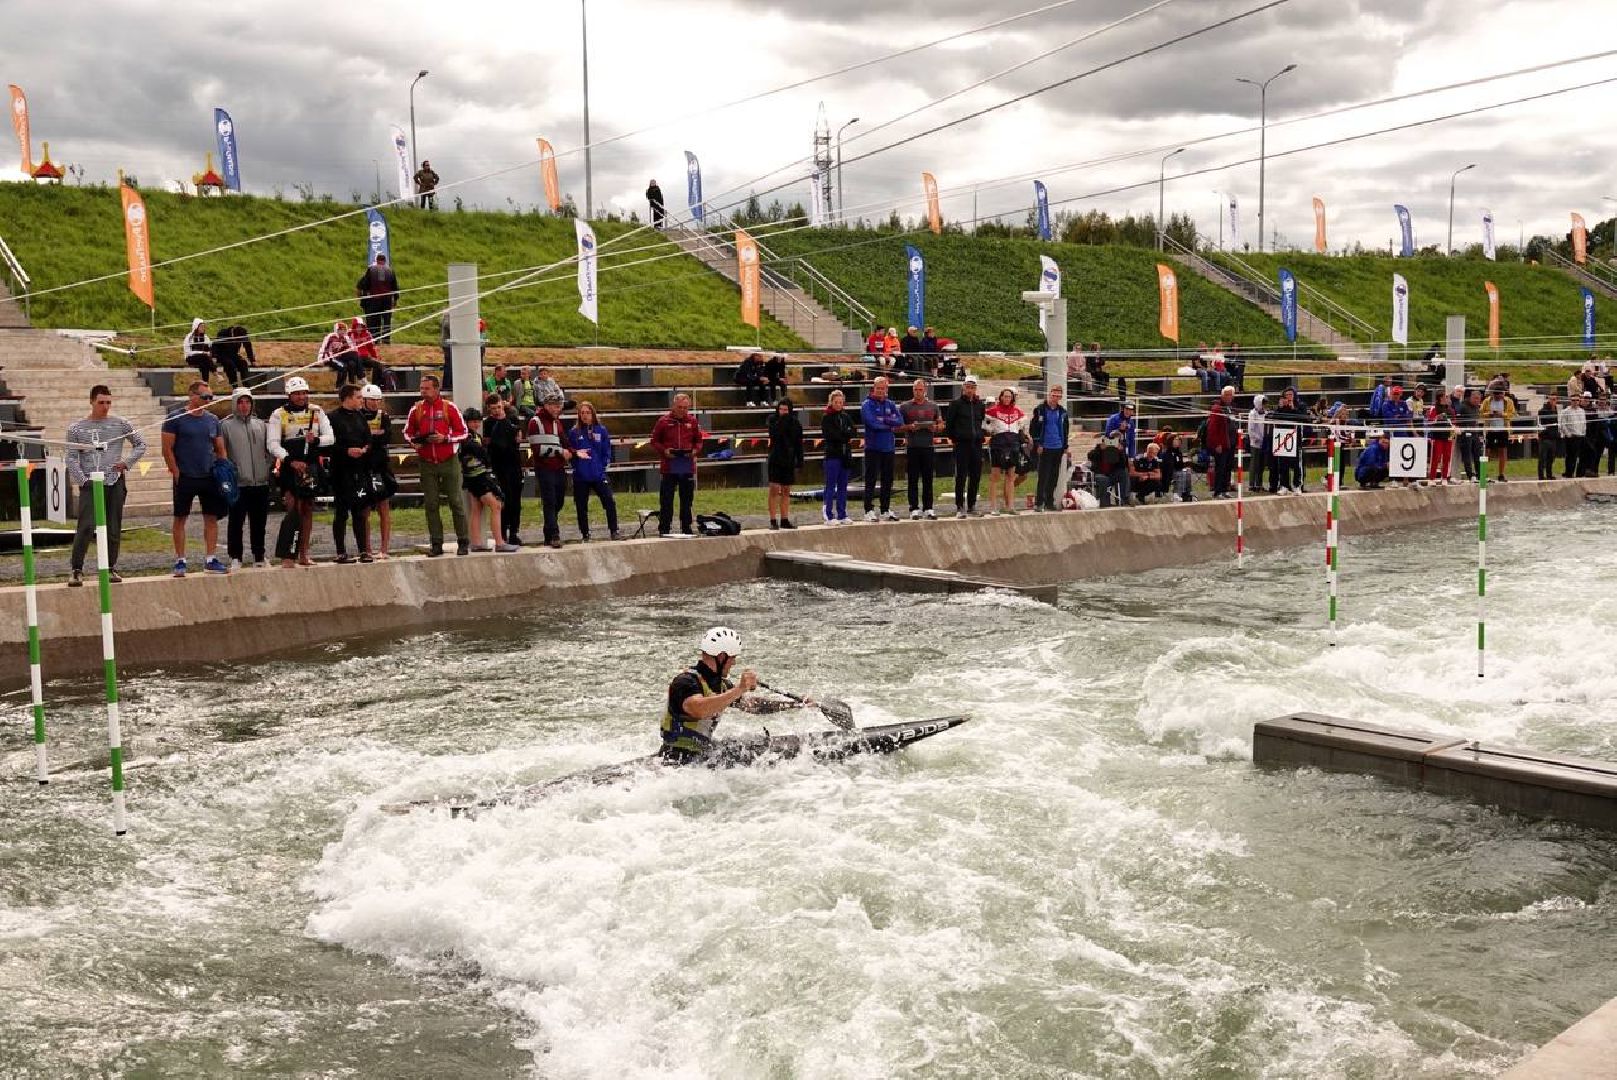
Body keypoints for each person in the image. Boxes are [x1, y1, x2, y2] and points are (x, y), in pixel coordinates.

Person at [661, 627, 788, 764]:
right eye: (732, 658)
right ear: (722, 656)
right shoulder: (685, 682)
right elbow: (699, 709)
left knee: (748, 744)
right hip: (676, 757)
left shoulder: (721, 685)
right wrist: (740, 689)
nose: (733, 663)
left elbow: (752, 705)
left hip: (700, 756)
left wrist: (794, 705)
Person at [65, 384, 147, 587]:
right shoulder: (77, 428)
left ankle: (110, 567)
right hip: (90, 483)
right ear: (91, 402)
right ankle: (76, 569)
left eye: (108, 402)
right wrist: (83, 480)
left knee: (113, 527)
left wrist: (126, 463)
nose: (105, 406)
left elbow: (141, 444)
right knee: (86, 526)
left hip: (114, 481)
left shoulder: (121, 423)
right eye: (101, 402)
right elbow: (71, 457)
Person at [161, 381, 230, 577]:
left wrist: (223, 469)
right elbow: (167, 449)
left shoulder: (212, 420)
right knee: (180, 518)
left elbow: (220, 448)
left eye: (211, 397)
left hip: (209, 475)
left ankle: (210, 559)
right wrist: (175, 471)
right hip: (185, 475)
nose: (208, 400)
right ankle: (180, 560)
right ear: (192, 396)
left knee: (211, 517)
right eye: (205, 397)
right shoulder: (175, 418)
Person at [268, 376, 334, 568]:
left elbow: (330, 437)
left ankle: (304, 553)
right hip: (289, 467)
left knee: (307, 509)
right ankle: (288, 555)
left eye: (304, 393)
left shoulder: (316, 411)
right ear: (289, 395)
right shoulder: (278, 414)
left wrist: (317, 440)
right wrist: (290, 461)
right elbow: (272, 444)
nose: (301, 397)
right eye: (297, 394)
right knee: (293, 508)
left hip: (310, 465)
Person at [403, 374, 471, 556]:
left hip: (449, 460)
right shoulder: (416, 409)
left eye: (426, 388)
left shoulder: (449, 407)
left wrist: (445, 438)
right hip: (427, 462)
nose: (423, 391)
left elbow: (464, 432)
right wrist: (414, 442)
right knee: (431, 504)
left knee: (455, 501)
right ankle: (436, 543)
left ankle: (463, 541)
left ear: (436, 389)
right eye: (421, 388)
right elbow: (407, 432)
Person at [220, 386, 271, 570]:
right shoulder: (225, 426)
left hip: (261, 481)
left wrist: (266, 467)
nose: (244, 406)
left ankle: (259, 555)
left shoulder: (261, 425)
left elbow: (268, 450)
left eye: (247, 402)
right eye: (240, 402)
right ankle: (236, 556)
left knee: (259, 522)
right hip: (238, 483)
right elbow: (221, 452)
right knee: (236, 522)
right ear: (235, 404)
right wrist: (231, 473)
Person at [457, 408, 518, 553]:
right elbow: (480, 453)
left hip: (473, 477)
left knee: (477, 509)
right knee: (496, 505)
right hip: (477, 476)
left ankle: (476, 542)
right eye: (472, 421)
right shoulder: (466, 437)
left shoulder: (474, 436)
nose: (476, 424)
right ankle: (499, 542)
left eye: (477, 421)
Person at [328, 383, 375, 564]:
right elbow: (328, 444)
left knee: (360, 511)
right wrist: (346, 451)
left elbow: (369, 440)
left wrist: (364, 449)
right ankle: (341, 552)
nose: (361, 401)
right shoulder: (332, 417)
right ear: (347, 398)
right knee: (341, 512)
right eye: (358, 397)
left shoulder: (360, 416)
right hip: (341, 470)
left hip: (359, 469)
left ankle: (363, 550)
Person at [567, 400, 621, 542]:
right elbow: (571, 452)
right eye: (582, 413)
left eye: (587, 412)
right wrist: (577, 466)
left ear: (593, 414)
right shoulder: (574, 432)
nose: (585, 415)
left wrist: (602, 466)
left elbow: (606, 450)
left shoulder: (601, 430)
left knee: (609, 501)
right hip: (581, 476)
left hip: (598, 474)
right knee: (581, 505)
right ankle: (585, 533)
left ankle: (614, 530)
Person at [650, 392, 703, 537]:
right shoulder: (664, 421)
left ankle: (686, 527)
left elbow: (699, 441)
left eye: (685, 408)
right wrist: (664, 451)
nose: (682, 410)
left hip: (686, 464)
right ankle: (664, 528)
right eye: (680, 407)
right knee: (666, 499)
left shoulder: (692, 421)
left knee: (687, 500)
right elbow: (654, 441)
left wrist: (695, 451)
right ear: (674, 406)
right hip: (669, 465)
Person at [858, 376, 903, 521]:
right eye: (878, 388)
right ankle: (868, 510)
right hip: (873, 448)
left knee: (887, 480)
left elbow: (900, 421)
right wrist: (889, 424)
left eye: (883, 388)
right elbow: (872, 423)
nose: (880, 391)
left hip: (888, 448)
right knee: (871, 479)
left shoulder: (890, 404)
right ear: (874, 388)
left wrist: (883, 419)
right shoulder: (867, 404)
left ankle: (885, 509)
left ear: (886, 389)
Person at [483, 394, 526, 545]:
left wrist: (505, 421)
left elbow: (517, 438)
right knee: (503, 498)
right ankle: (502, 533)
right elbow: (492, 442)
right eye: (493, 408)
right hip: (499, 466)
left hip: (514, 463)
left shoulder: (511, 419)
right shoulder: (488, 423)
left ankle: (514, 531)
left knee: (516, 499)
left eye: (499, 407)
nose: (496, 411)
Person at [361, 384, 398, 558]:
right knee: (365, 509)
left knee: (384, 506)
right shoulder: (358, 416)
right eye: (371, 400)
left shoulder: (383, 416)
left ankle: (384, 549)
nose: (375, 403)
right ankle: (367, 548)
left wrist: (371, 438)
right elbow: (361, 438)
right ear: (364, 400)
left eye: (377, 400)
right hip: (363, 466)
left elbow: (386, 437)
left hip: (381, 466)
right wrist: (375, 436)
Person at [757, 398, 805, 530]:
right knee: (774, 489)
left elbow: (798, 443)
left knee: (786, 490)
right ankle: (773, 520)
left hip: (788, 459)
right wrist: (782, 421)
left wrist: (800, 460)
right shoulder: (772, 420)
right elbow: (774, 434)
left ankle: (784, 519)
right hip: (776, 458)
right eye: (781, 409)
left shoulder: (795, 423)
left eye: (785, 410)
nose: (783, 412)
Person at [944, 375, 986, 518]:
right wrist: (955, 438)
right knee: (961, 476)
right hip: (962, 444)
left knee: (975, 475)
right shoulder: (956, 404)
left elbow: (981, 421)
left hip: (976, 444)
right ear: (963, 387)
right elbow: (949, 425)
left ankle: (972, 505)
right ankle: (960, 506)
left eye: (972, 388)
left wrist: (980, 436)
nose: (970, 390)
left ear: (975, 389)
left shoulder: (979, 404)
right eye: (968, 387)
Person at [900, 379, 941, 519]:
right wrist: (909, 427)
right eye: (916, 390)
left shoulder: (933, 406)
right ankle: (914, 508)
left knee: (928, 479)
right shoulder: (905, 406)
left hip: (928, 446)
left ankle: (928, 507)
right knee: (912, 479)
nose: (918, 392)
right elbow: (898, 426)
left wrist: (935, 427)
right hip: (912, 446)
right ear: (912, 390)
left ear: (925, 390)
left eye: (920, 390)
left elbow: (941, 424)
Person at [985, 388, 1025, 515]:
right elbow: (985, 425)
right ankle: (993, 507)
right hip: (998, 444)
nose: (1007, 398)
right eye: (1005, 396)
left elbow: (1021, 427)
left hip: (1013, 445)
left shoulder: (1018, 412)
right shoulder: (992, 411)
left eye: (1009, 396)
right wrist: (990, 431)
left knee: (1011, 476)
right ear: (1001, 397)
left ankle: (1010, 506)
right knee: (995, 476)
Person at [1028, 385, 1068, 512]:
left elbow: (1065, 430)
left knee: (1054, 476)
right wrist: (1038, 443)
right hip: (1045, 447)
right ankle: (1039, 502)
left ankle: (1049, 502)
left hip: (1058, 447)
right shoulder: (1040, 409)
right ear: (1049, 394)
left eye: (1058, 395)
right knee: (1043, 476)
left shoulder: (1062, 412)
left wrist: (1065, 445)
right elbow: (1033, 428)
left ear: (1060, 397)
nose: (1055, 397)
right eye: (1053, 395)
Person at [820, 389, 855, 525]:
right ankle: (828, 515)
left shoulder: (845, 417)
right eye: (836, 402)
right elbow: (831, 435)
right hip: (832, 455)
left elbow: (853, 431)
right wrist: (844, 434)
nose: (839, 404)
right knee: (830, 485)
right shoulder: (826, 417)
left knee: (843, 486)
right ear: (831, 402)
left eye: (841, 402)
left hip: (845, 455)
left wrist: (845, 434)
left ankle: (842, 514)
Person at [1268, 387, 1307, 494]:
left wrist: (1293, 408)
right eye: (1287, 395)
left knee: (1297, 464)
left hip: (1295, 438)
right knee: (1283, 463)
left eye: (1291, 394)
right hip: (1283, 437)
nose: (1289, 397)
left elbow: (1303, 418)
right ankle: (1284, 485)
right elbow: (1274, 417)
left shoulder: (1301, 405)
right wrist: (1280, 408)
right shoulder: (1281, 407)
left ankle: (1297, 485)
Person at [355, 253, 400, 341]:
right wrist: (395, 300)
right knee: (386, 321)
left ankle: (374, 339)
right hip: (387, 300)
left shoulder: (371, 269)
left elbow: (363, 285)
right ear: (385, 261)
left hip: (374, 299)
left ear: (376, 260)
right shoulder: (390, 271)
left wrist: (361, 297)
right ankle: (386, 340)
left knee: (374, 320)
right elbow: (395, 287)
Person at [1206, 386, 1237, 498]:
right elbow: (1212, 428)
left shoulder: (1231, 408)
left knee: (1228, 467)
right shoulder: (1217, 408)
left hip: (1231, 442)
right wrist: (1217, 444)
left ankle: (1225, 489)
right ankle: (1218, 491)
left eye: (1230, 395)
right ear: (1222, 395)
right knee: (1220, 467)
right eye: (1226, 395)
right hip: (1222, 444)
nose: (1229, 397)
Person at [348, 318, 393, 391]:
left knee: (377, 364)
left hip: (365, 357)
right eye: (357, 326)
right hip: (355, 358)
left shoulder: (367, 334)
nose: (359, 328)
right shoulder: (349, 334)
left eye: (361, 326)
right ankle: (361, 378)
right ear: (354, 327)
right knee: (356, 359)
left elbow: (371, 348)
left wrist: (375, 357)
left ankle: (375, 385)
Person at [1483, 382, 1516, 481]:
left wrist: (1502, 414)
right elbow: (1481, 413)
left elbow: (1512, 414)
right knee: (1486, 451)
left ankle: (1501, 474)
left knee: (1503, 451)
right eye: (1495, 395)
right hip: (1490, 429)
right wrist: (1489, 414)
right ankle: (1483, 473)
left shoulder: (1508, 402)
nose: (1497, 397)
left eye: (1499, 395)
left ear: (1503, 394)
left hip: (1503, 429)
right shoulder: (1487, 401)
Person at [1087, 432, 1129, 507]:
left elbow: (1123, 464)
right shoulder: (1099, 448)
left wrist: (1121, 452)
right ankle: (1105, 504)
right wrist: (1100, 449)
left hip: (1112, 474)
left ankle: (1123, 500)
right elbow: (1090, 456)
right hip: (1100, 474)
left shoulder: (1117, 450)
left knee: (1123, 473)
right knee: (1103, 479)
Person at [319, 321, 364, 386]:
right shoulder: (330, 337)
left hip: (340, 357)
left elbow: (351, 348)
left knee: (352, 363)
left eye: (344, 330)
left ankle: (352, 384)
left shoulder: (345, 338)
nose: (342, 331)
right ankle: (340, 386)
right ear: (336, 330)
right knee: (343, 366)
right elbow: (324, 347)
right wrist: (321, 359)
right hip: (330, 358)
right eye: (340, 330)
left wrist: (345, 346)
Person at [210, 324, 255, 388]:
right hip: (222, 355)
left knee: (243, 363)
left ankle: (246, 385)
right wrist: (214, 357)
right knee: (230, 365)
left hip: (234, 355)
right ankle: (234, 386)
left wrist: (252, 360)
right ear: (234, 335)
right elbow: (214, 345)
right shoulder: (223, 333)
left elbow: (248, 347)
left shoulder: (242, 335)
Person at [1245, 394, 1270, 494]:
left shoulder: (1265, 413)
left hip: (1264, 442)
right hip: (1255, 443)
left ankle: (1259, 483)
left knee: (1261, 464)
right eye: (1263, 403)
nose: (1264, 405)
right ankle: (1252, 484)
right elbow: (1251, 429)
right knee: (1254, 464)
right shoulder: (1252, 414)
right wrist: (1257, 438)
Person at [1456, 387, 1482, 482]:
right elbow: (1458, 420)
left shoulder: (1477, 407)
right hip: (1465, 434)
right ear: (1470, 397)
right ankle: (1470, 475)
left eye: (1478, 399)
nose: (1477, 401)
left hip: (1475, 433)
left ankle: (1480, 474)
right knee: (1467, 455)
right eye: (1475, 398)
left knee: (1478, 454)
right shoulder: (1463, 406)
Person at [1560, 392, 1587, 478]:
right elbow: (1563, 424)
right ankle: (1569, 473)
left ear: (1579, 401)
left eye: (1577, 400)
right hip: (1571, 437)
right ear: (1570, 401)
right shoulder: (1566, 411)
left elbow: (1584, 423)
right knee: (1571, 456)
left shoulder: (1582, 411)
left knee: (1582, 456)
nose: (1575, 402)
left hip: (1581, 436)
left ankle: (1580, 473)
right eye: (1573, 400)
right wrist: (1568, 434)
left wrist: (1583, 433)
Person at [183, 319, 214, 386]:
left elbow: (209, 348)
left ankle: (205, 384)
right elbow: (188, 352)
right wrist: (201, 352)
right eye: (201, 326)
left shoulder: (205, 337)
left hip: (203, 359)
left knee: (204, 363)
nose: (203, 328)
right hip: (191, 358)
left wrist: (208, 352)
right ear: (196, 327)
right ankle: (215, 375)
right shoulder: (189, 337)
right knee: (204, 358)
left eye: (204, 326)